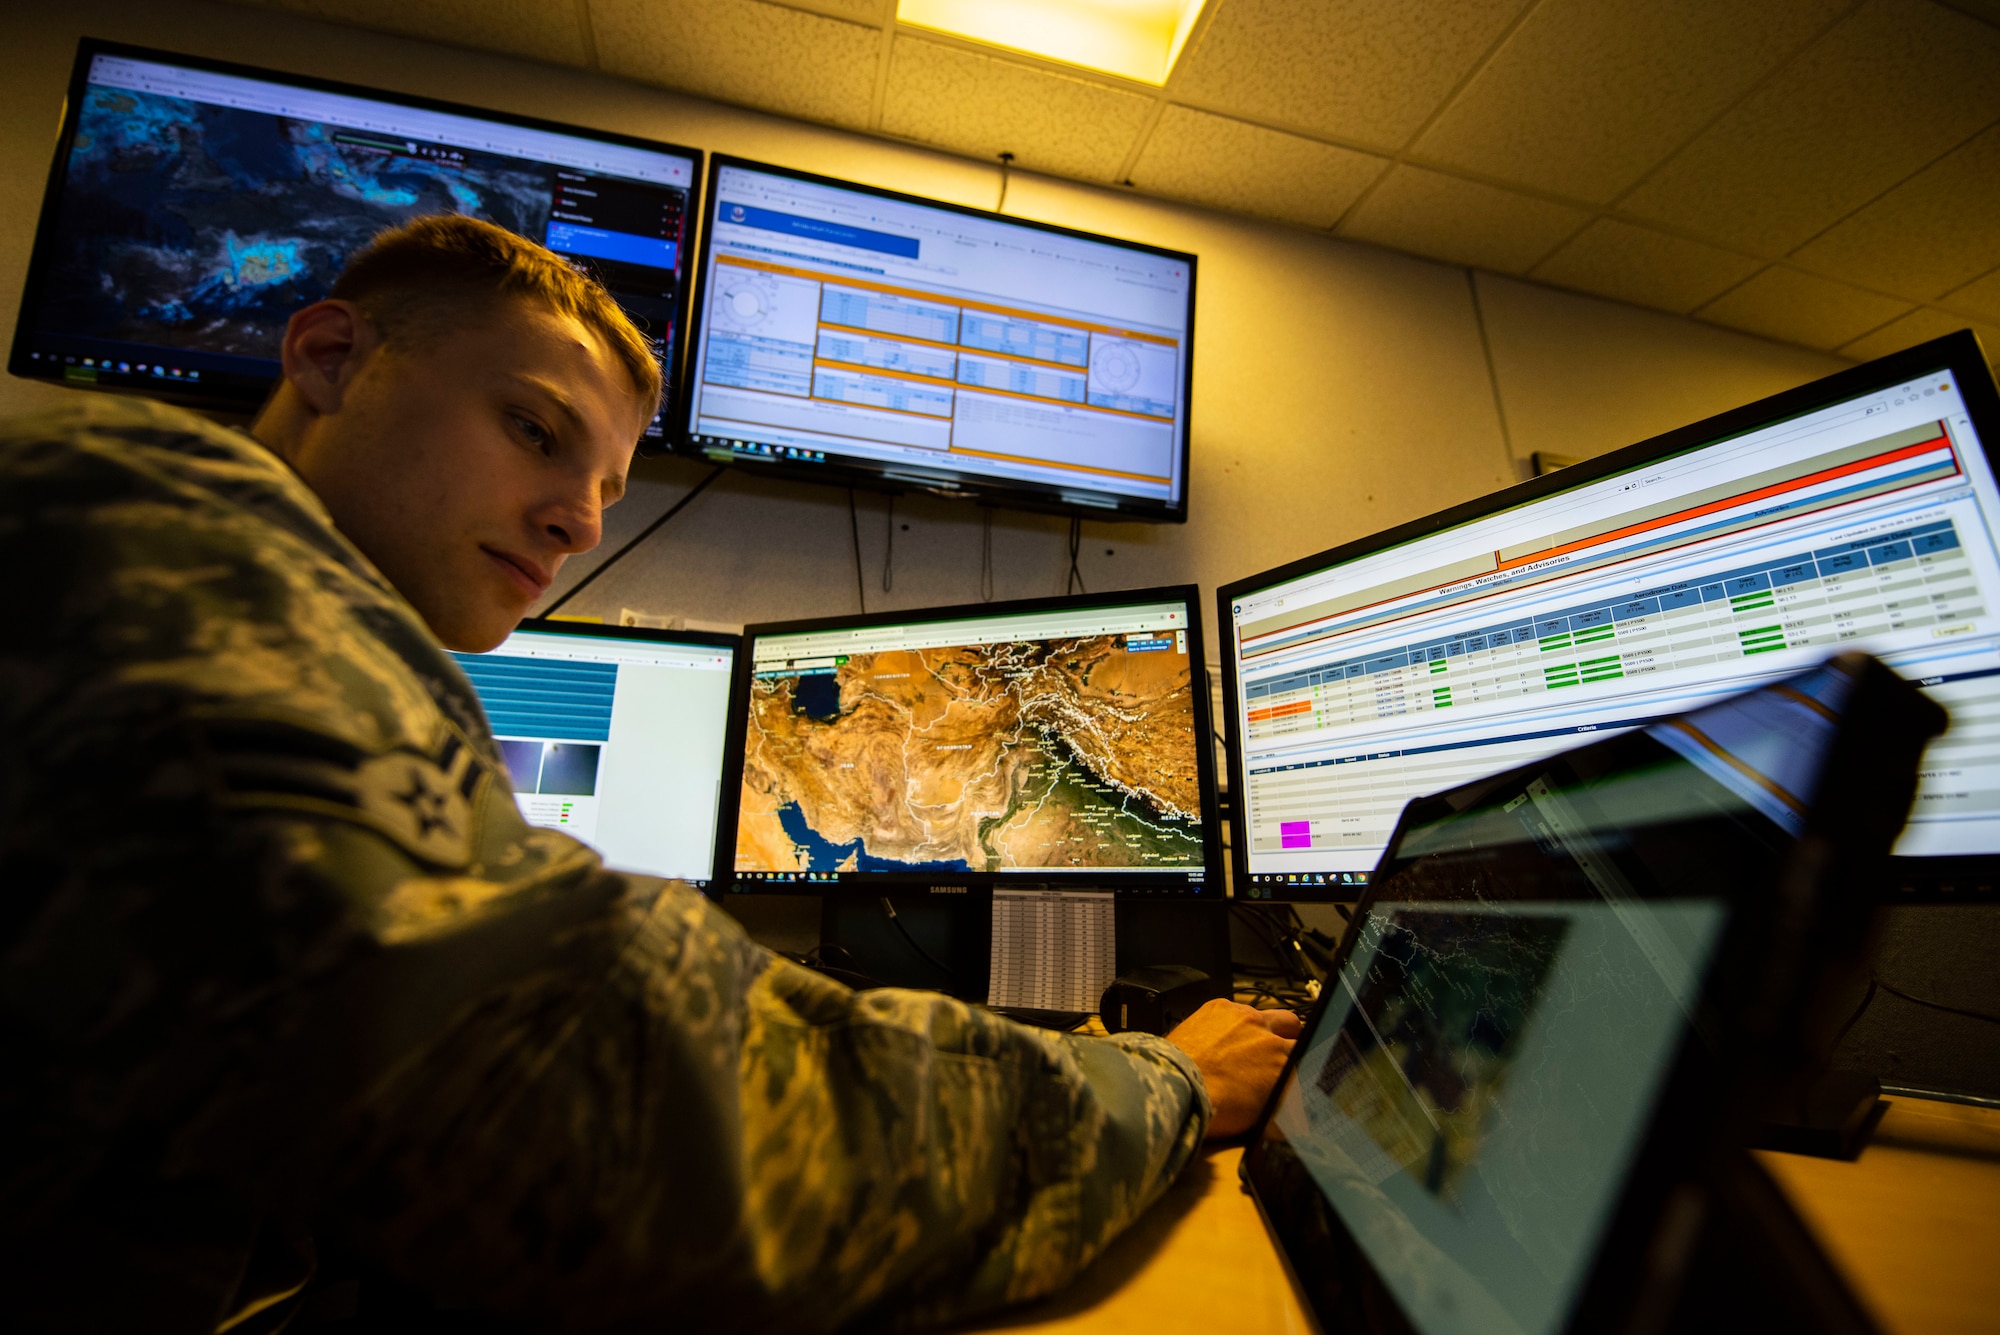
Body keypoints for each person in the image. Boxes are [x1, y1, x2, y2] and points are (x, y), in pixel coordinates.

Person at [0, 215, 1300, 1332]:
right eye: (533, 430)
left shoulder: (182, 552)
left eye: (610, 487)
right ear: (332, 357)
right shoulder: (158, 564)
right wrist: (1166, 1081)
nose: (578, 520)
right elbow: (648, 1115)